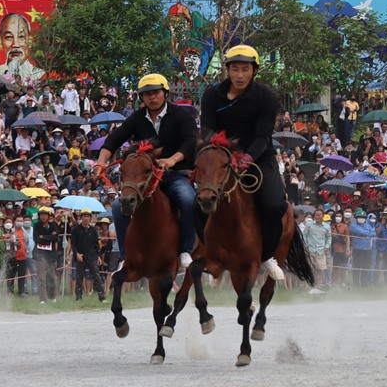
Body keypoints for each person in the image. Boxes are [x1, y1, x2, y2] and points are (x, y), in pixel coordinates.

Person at [199, 45, 287, 281]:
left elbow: (263, 137)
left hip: (258, 156)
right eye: (235, 69)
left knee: (274, 204)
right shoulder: (211, 95)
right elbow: (207, 130)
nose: (239, 75)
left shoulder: (266, 97)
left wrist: (246, 158)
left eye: (245, 69)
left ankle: (266, 255)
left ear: (254, 71)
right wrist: (223, 154)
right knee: (196, 200)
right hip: (220, 156)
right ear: (227, 70)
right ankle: (205, 250)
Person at [93, 73, 198, 270]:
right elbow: (114, 139)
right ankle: (126, 257)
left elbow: (191, 141)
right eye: (147, 94)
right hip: (144, 179)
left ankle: (185, 250)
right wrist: (100, 162)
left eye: (156, 92)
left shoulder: (180, 114)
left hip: (174, 175)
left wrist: (172, 160)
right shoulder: (137, 117)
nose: (152, 97)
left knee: (188, 199)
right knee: (117, 207)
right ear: (141, 97)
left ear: (165, 93)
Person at [70, 209, 106, 302]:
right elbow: (73, 244)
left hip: (92, 256)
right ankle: (78, 298)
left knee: (97, 276)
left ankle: (102, 297)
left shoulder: (93, 230)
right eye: (84, 216)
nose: (86, 218)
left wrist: (98, 256)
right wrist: (76, 254)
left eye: (88, 216)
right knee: (79, 278)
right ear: (81, 218)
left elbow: (96, 244)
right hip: (80, 256)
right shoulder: (75, 230)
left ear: (90, 218)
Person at [32, 206, 60, 304]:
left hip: (50, 255)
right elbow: (36, 239)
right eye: (41, 214)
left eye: (45, 214)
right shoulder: (36, 226)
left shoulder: (53, 225)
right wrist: (49, 237)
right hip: (39, 255)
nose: (43, 216)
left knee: (52, 277)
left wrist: (43, 236)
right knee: (41, 278)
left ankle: (52, 296)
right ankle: (42, 299)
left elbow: (55, 238)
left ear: (49, 216)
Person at [303, 209, 331, 293]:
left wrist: (326, 247)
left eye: (319, 215)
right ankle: (307, 286)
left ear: (323, 216)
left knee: (319, 269)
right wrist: (305, 246)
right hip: (310, 250)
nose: (317, 217)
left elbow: (329, 238)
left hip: (320, 251)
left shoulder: (327, 227)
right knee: (308, 269)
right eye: (316, 215)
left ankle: (318, 286)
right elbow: (304, 236)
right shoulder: (309, 224)